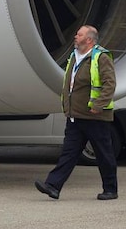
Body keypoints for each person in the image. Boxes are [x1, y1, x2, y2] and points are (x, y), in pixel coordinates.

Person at [35, 25, 118, 201]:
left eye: (79, 34)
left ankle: (110, 189)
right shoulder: (74, 56)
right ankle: (53, 186)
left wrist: (98, 105)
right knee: (69, 153)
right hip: (75, 116)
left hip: (95, 116)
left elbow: (109, 84)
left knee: (104, 154)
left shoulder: (100, 57)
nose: (75, 36)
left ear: (89, 39)